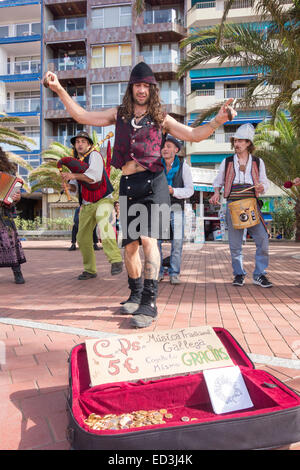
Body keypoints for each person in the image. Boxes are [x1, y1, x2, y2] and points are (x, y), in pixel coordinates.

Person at [42, 62, 235, 327]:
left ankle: (150, 301)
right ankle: (134, 293)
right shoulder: (119, 114)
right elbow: (83, 117)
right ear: (131, 87)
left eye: (146, 86)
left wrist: (218, 120)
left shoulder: (161, 118)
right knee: (130, 246)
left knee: (148, 240)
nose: (142, 90)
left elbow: (194, 135)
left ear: (152, 89)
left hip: (153, 183)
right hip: (129, 184)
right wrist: (59, 89)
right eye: (137, 85)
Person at [209, 123, 272, 288]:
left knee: (263, 239)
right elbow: (218, 182)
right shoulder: (227, 161)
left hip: (251, 203)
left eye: (240, 141)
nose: (236, 144)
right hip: (233, 204)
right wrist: (216, 193)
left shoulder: (258, 162)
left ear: (248, 143)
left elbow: (265, 183)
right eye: (235, 141)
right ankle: (238, 274)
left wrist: (261, 187)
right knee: (235, 244)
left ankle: (259, 274)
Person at [61, 131, 123, 279]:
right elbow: (77, 187)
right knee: (82, 237)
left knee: (105, 225)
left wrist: (72, 176)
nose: (79, 144)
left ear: (88, 144)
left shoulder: (94, 155)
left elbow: (93, 178)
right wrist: (70, 187)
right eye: (77, 142)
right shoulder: (76, 163)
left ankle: (116, 260)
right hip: (87, 204)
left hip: (103, 199)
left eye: (83, 141)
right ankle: (90, 270)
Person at [157, 135, 194, 285]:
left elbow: (190, 190)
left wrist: (173, 191)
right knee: (155, 243)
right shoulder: (155, 166)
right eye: (163, 146)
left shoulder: (184, 166)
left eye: (168, 146)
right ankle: (157, 272)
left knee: (177, 243)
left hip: (177, 207)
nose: (165, 149)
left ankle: (174, 273)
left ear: (176, 150)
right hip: (158, 207)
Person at [0, 147, 26, 284]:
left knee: (9, 242)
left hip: (4, 214)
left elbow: (16, 196)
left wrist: (16, 197)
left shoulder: (8, 170)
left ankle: (17, 272)